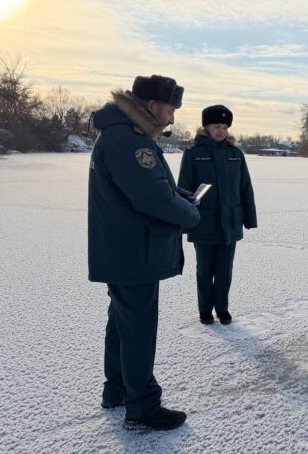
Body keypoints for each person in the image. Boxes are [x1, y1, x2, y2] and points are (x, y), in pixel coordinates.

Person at [88, 75, 201, 431]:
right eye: (170, 110)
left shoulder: (123, 134)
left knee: (123, 322)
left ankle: (118, 389)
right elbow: (151, 198)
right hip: (134, 250)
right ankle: (142, 406)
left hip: (124, 248)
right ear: (152, 106)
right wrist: (191, 213)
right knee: (137, 327)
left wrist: (177, 194)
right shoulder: (127, 140)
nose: (171, 119)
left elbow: (151, 187)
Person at [177, 105, 257, 325]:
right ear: (206, 127)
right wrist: (184, 221)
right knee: (204, 270)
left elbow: (245, 188)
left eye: (224, 126)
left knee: (224, 271)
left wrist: (249, 217)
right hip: (203, 223)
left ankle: (222, 308)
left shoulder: (235, 154)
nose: (221, 130)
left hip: (230, 223)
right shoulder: (194, 154)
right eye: (216, 126)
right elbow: (183, 188)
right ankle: (205, 309)